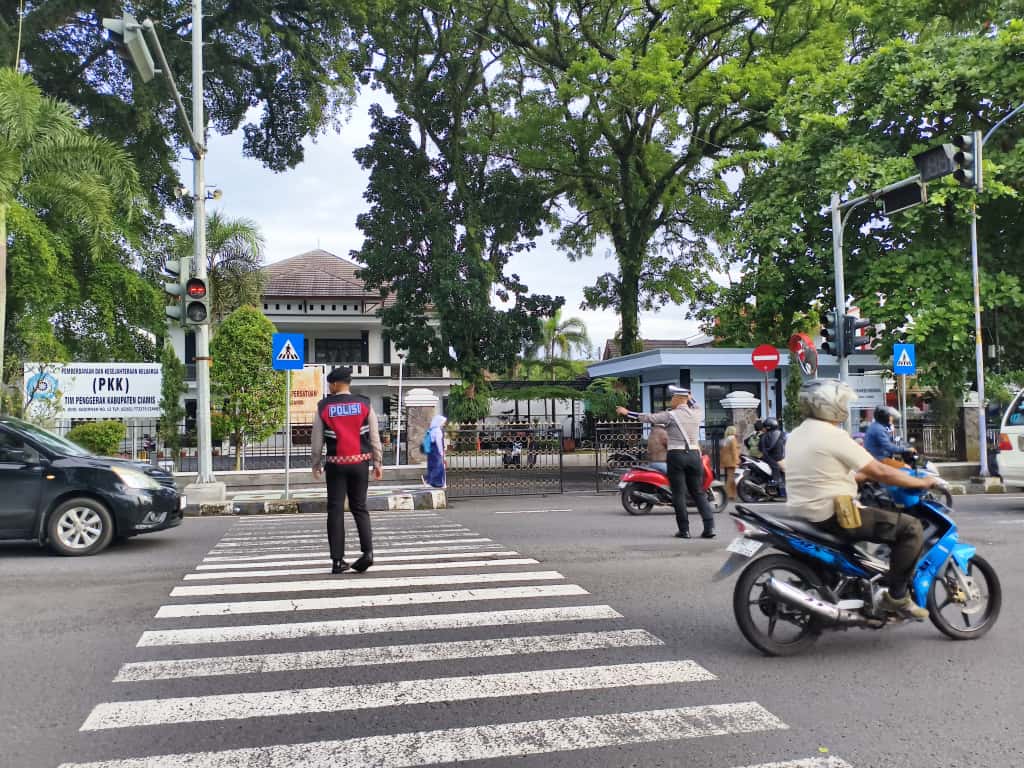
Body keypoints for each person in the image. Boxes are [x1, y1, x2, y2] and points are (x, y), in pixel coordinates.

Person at [785, 379, 941, 620]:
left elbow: (823, 473)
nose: (846, 408)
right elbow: (880, 470)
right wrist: (921, 482)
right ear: (830, 405)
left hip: (802, 512)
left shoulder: (797, 434)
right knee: (911, 528)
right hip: (832, 514)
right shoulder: (832, 435)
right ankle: (897, 597)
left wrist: (859, 477)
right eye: (843, 402)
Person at [616, 385, 716, 539]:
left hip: (676, 455)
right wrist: (690, 397)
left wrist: (627, 412)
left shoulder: (671, 415)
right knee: (698, 492)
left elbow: (648, 417)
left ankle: (684, 530)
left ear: (677, 399)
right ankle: (709, 528)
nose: (671, 400)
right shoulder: (697, 413)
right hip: (695, 455)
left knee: (678, 493)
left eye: (672, 398)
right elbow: (697, 404)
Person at [311, 366, 384, 574]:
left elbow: (316, 441)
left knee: (335, 510)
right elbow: (374, 437)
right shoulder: (364, 404)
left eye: (329, 385)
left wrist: (315, 464)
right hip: (360, 463)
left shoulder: (323, 406)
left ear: (334, 384)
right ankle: (368, 553)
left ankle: (337, 561)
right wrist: (377, 463)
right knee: (359, 507)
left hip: (336, 464)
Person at [758, 417, 787, 497]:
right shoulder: (781, 434)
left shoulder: (763, 436)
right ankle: (776, 485)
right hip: (777, 458)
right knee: (779, 469)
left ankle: (777, 486)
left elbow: (760, 448)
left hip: (769, 457)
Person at [424, 415, 448, 488]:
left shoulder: (431, 430)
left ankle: (434, 483)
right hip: (436, 451)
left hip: (431, 451)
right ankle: (430, 480)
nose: (443, 424)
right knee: (439, 467)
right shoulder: (438, 431)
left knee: (433, 466)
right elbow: (439, 443)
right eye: (443, 422)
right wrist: (442, 452)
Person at [720, 425, 742, 500]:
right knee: (731, 479)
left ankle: (732, 494)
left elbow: (723, 452)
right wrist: (737, 460)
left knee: (730, 478)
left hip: (727, 461)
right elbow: (734, 451)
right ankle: (726, 494)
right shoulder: (733, 439)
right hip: (732, 461)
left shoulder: (726, 439)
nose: (736, 431)